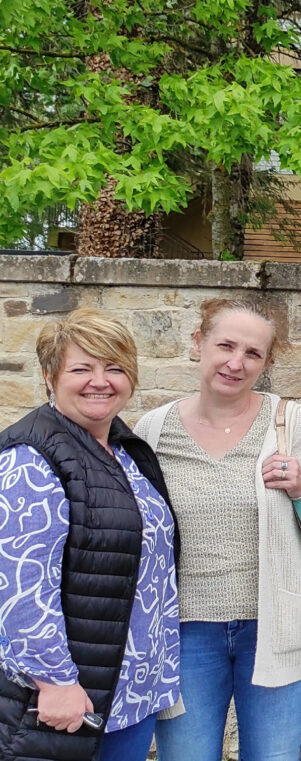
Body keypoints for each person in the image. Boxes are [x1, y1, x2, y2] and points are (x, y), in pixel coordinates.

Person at [136, 298, 301, 761]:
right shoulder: (153, 430)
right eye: (225, 345)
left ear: (267, 362)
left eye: (253, 354)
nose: (236, 363)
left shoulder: (290, 422)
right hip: (185, 631)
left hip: (276, 625)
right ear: (198, 343)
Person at [0, 309, 179, 761]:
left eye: (114, 367)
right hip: (67, 700)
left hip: (130, 693)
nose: (100, 381)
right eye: (81, 368)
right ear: (49, 376)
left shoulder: (124, 450)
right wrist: (54, 681)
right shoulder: (30, 458)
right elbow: (20, 584)